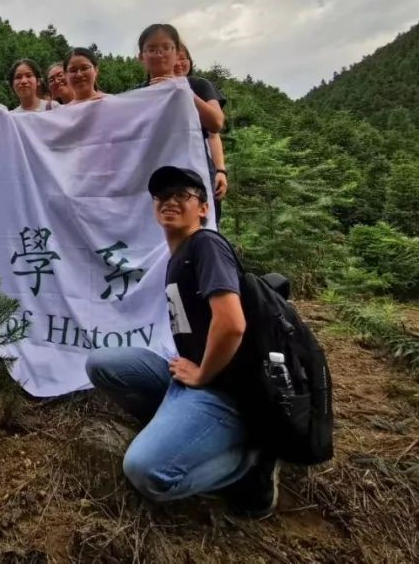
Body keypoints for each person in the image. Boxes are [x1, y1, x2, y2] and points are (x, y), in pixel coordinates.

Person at [85, 166, 278, 517]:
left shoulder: (206, 244)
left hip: (226, 392)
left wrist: (204, 374)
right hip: (188, 382)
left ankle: (248, 465)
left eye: (182, 196)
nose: (170, 202)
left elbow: (232, 323)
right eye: (163, 196)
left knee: (145, 471)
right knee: (101, 364)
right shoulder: (180, 254)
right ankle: (176, 429)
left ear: (203, 208)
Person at [137, 24, 225, 207]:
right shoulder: (137, 93)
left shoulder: (197, 85)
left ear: (176, 53)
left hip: (194, 171)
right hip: (152, 172)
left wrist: (183, 91)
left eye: (166, 48)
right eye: (152, 49)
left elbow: (216, 124)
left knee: (196, 227)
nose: (159, 54)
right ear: (141, 57)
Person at [175, 44, 229, 206]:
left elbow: (214, 131)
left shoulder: (200, 85)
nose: (179, 63)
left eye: (183, 58)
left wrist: (220, 170)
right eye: (174, 58)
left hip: (200, 169)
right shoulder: (146, 89)